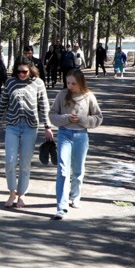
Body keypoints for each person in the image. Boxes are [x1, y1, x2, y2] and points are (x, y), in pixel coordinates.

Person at [0, 57, 54, 208]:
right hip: (12, 126)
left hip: (30, 127)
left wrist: (47, 127)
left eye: (24, 71)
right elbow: (2, 105)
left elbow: (44, 106)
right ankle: (12, 192)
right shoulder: (10, 83)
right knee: (10, 160)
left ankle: (21, 195)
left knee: (25, 163)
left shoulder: (38, 83)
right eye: (18, 71)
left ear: (30, 70)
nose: (21, 74)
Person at [49, 69, 103, 220]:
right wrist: (66, 118)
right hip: (64, 134)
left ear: (81, 82)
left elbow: (98, 118)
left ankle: (75, 195)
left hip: (81, 135)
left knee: (78, 169)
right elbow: (52, 115)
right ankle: (61, 206)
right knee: (62, 169)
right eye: (68, 83)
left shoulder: (89, 97)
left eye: (74, 83)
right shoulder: (62, 95)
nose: (70, 86)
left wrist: (82, 119)